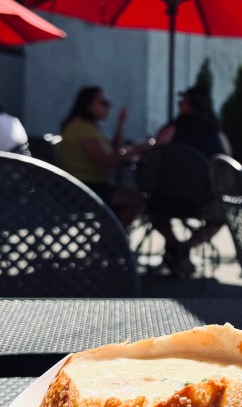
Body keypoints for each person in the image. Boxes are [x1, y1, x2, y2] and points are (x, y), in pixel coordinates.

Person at [152, 85, 232, 276]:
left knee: (149, 208)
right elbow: (227, 169)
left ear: (189, 104)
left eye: (182, 101)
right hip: (204, 201)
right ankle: (185, 248)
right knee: (220, 217)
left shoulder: (171, 130)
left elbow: (152, 160)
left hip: (165, 199)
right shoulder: (218, 135)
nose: (179, 105)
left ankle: (175, 247)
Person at [58, 85, 142, 228]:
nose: (108, 106)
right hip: (84, 187)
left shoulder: (88, 126)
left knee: (125, 201)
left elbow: (114, 150)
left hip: (85, 185)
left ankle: (109, 239)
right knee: (135, 201)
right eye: (104, 103)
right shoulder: (83, 128)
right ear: (88, 105)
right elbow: (105, 162)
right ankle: (112, 239)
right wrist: (135, 151)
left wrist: (120, 124)